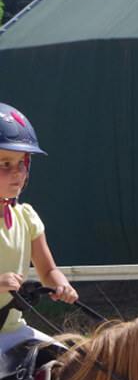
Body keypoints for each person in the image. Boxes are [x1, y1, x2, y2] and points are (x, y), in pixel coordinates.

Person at [0, 102, 78, 353]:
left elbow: (47, 269)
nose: (18, 172)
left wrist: (60, 284)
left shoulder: (27, 217)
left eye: (23, 162)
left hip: (14, 331)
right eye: (5, 164)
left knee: (70, 364)